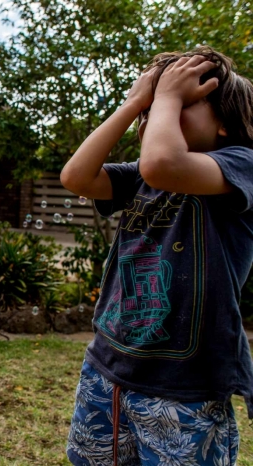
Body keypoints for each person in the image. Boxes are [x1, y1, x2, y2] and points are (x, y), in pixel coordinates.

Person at [61, 47, 253, 466]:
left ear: (224, 121)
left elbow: (163, 163)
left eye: (180, 100)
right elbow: (76, 176)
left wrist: (162, 98)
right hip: (108, 367)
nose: (157, 112)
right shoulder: (143, 175)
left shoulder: (241, 164)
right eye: (155, 104)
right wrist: (135, 102)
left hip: (186, 388)